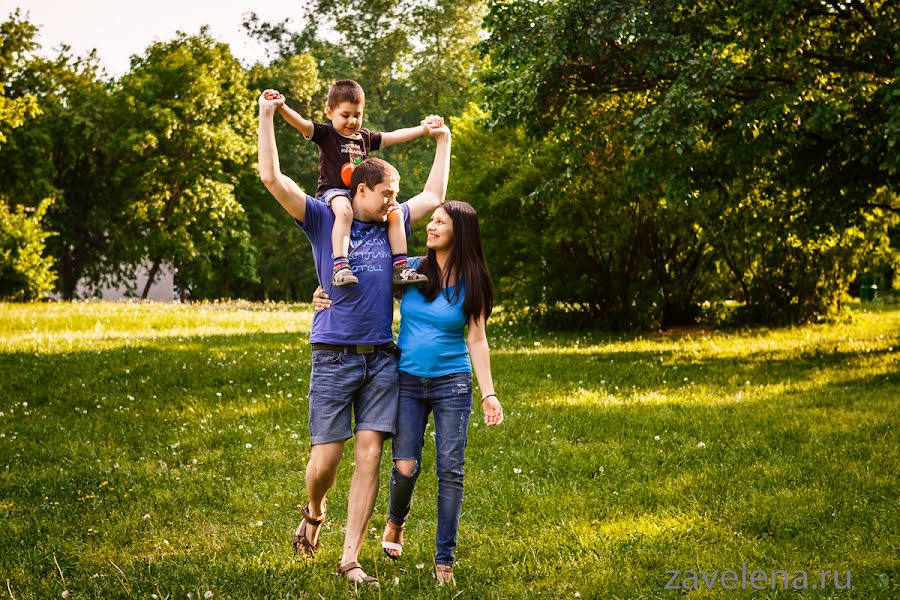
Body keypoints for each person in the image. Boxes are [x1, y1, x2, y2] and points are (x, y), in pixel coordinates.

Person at [256, 89, 451, 586]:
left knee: (369, 453)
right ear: (359, 190)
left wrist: (442, 140)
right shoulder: (324, 219)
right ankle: (315, 510)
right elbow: (272, 178)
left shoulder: (394, 225)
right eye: (386, 194)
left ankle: (350, 559)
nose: (394, 202)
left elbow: (432, 198)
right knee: (327, 457)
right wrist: (266, 116)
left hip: (382, 358)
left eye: (395, 195)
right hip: (333, 354)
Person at [313, 200, 504, 586]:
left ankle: (444, 559)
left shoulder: (475, 281)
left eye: (439, 223)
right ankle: (396, 522)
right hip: (408, 381)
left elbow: (478, 339)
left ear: (460, 232)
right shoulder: (411, 269)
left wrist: (489, 393)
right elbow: (360, 284)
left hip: (452, 383)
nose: (430, 227)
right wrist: (319, 293)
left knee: (451, 470)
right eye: (431, 220)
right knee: (404, 465)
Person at [265, 80, 443, 287]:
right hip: (333, 192)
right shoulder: (326, 134)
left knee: (396, 213)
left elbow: (394, 136)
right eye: (345, 115)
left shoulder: (364, 137)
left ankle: (400, 265)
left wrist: (423, 129)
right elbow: (301, 123)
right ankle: (340, 265)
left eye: (357, 115)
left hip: (358, 193)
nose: (352, 121)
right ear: (330, 112)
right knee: (345, 212)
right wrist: (281, 106)